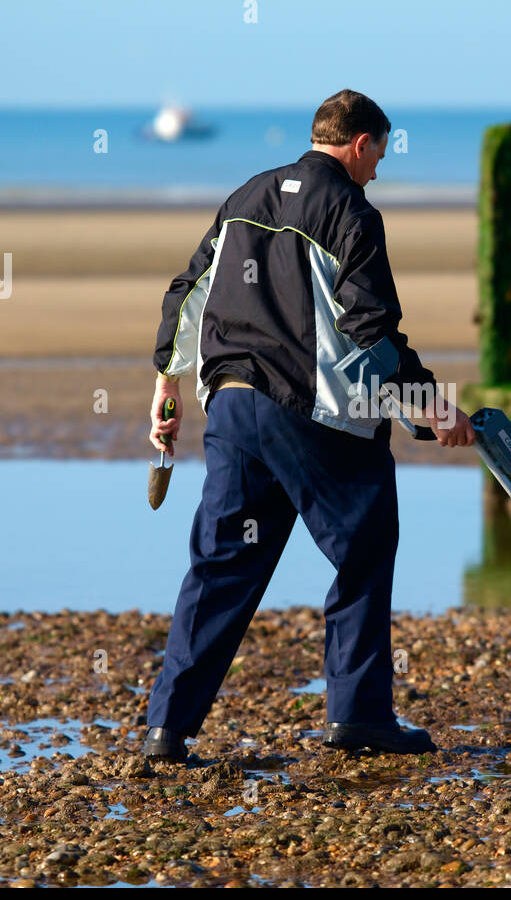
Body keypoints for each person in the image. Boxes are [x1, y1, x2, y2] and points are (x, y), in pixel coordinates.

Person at [141, 89, 474, 761]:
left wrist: (166, 382)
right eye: (379, 154)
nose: (379, 168)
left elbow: (188, 292)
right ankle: (359, 717)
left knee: (220, 566)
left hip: (231, 407)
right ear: (359, 143)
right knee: (364, 547)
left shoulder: (246, 196)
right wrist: (435, 408)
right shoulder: (351, 211)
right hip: (309, 413)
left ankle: (165, 730)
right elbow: (373, 331)